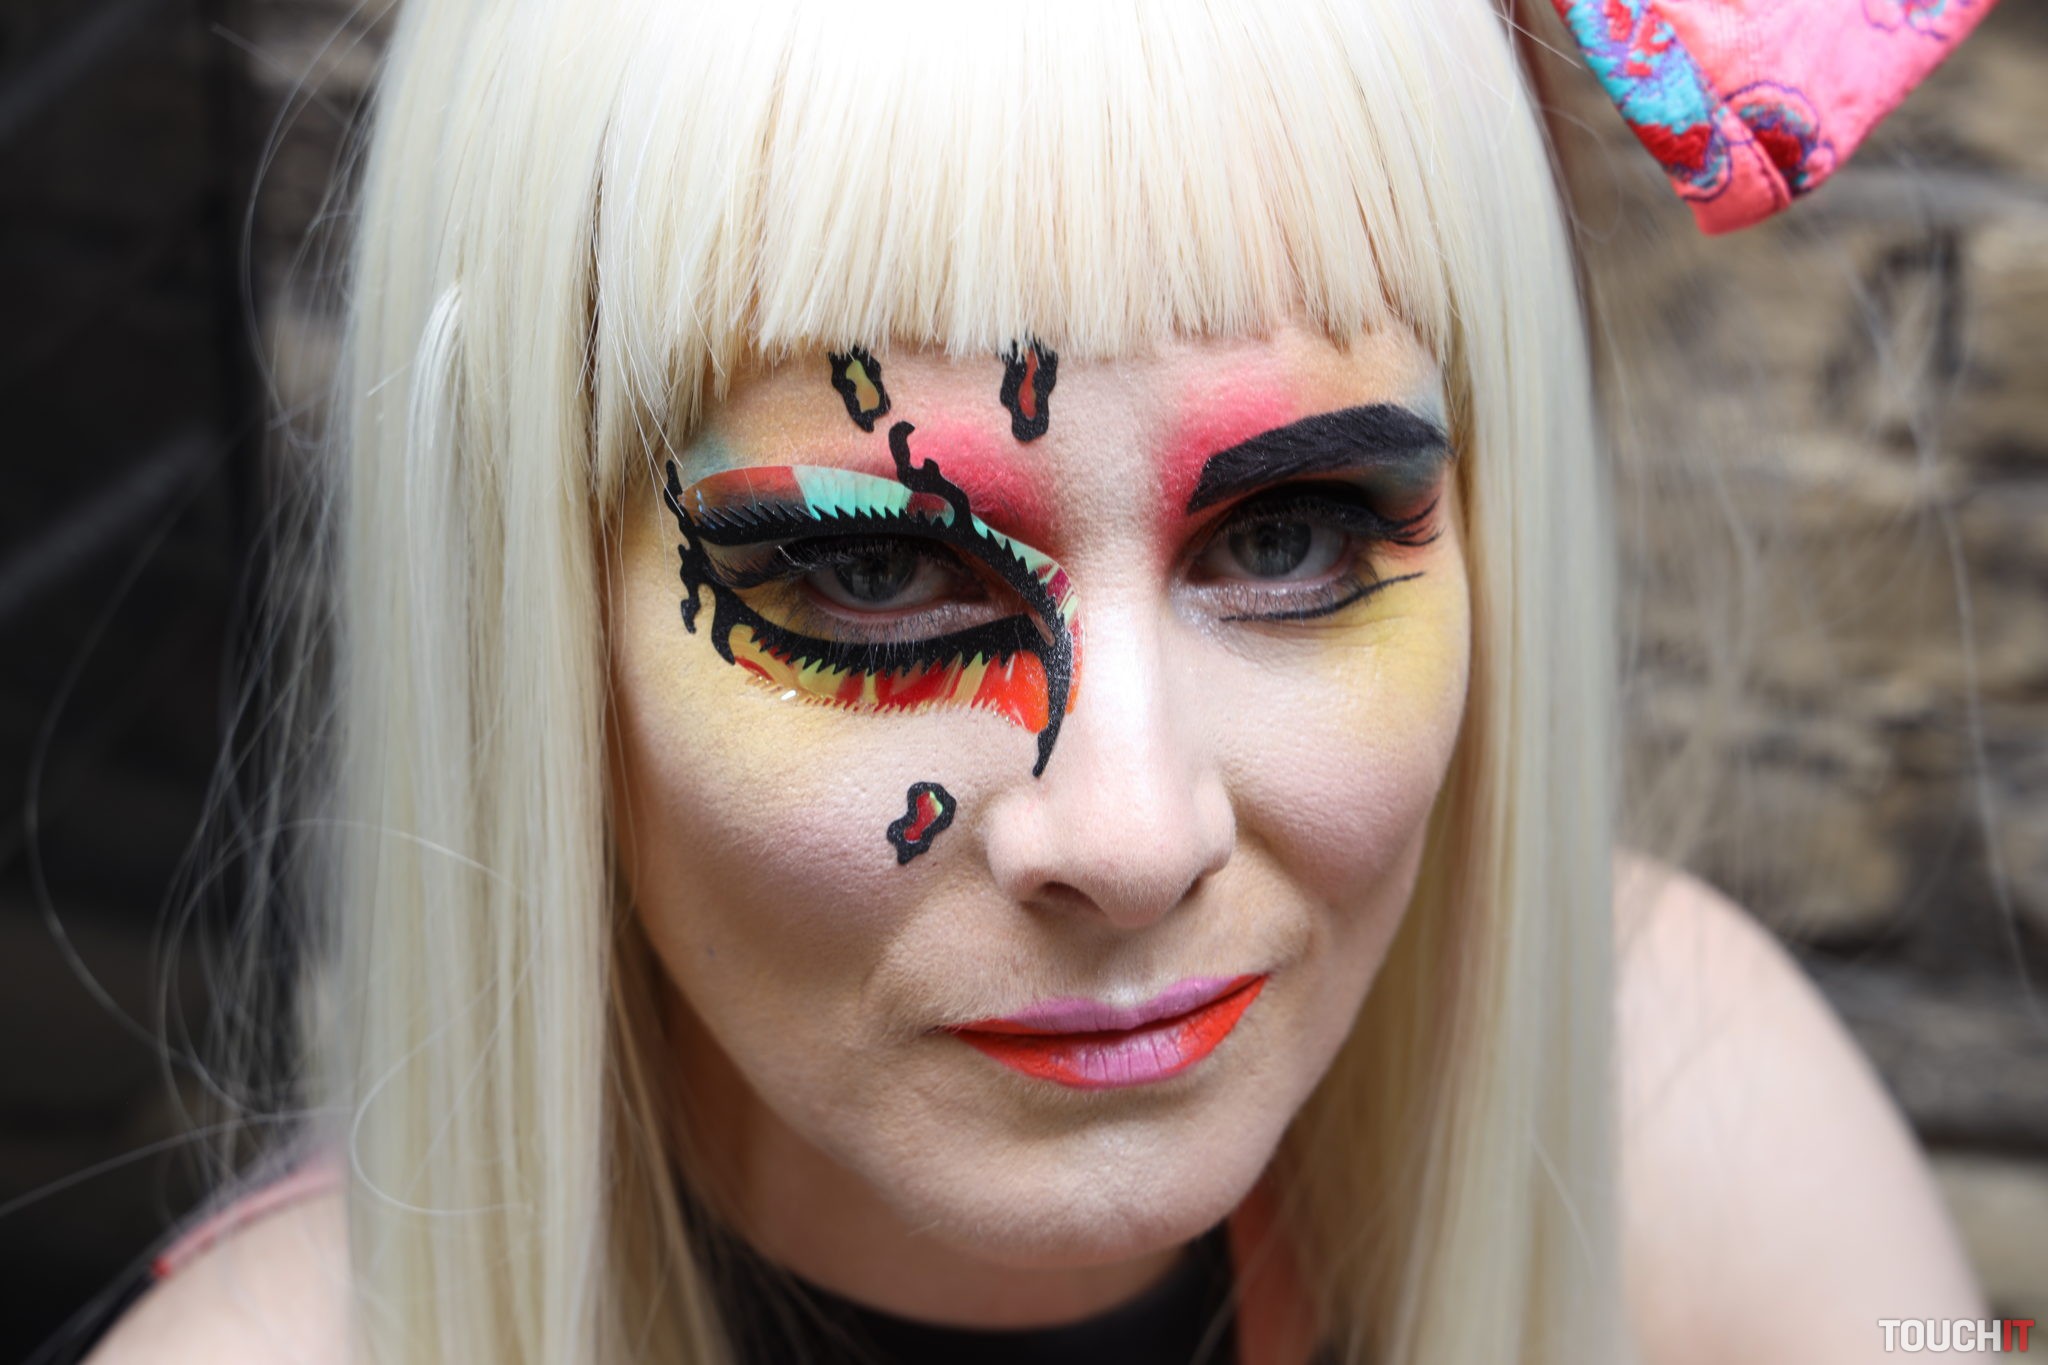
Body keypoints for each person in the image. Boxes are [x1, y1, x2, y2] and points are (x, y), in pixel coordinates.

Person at [80, 0, 1986, 1361]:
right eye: (873, 570)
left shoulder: (1707, 1142)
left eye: (1290, 533)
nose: (1133, 833)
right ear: (540, 605)